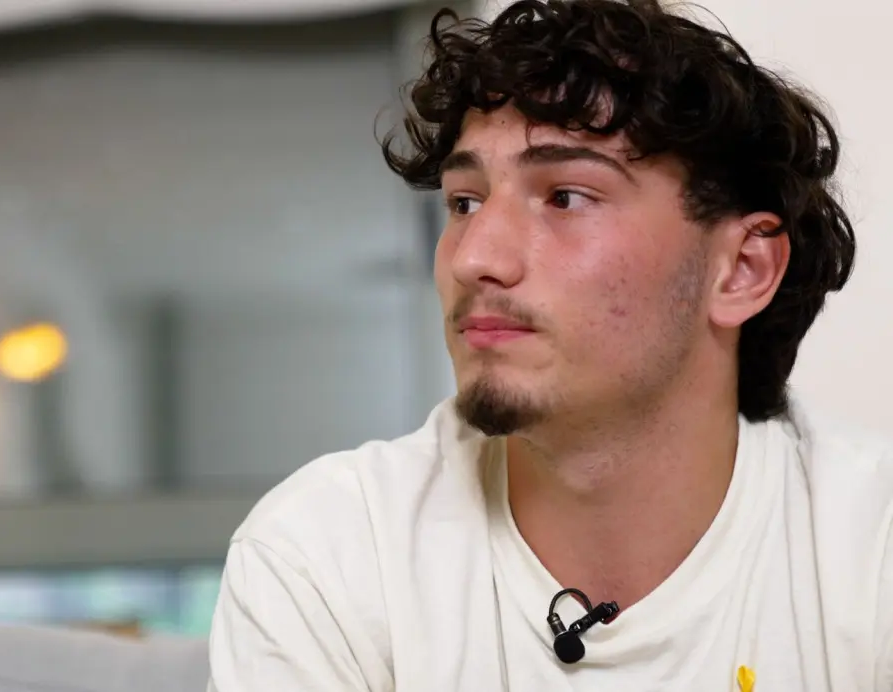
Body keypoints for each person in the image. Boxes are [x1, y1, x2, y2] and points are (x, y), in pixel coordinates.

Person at [206, 0, 893, 689]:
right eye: (464, 202)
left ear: (741, 270)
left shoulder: (870, 552)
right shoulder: (327, 557)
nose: (475, 256)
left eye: (565, 196)